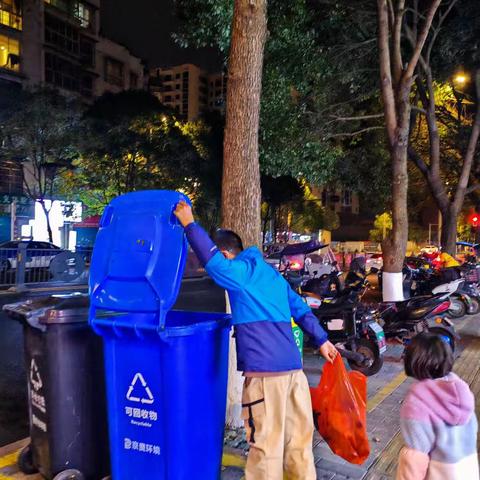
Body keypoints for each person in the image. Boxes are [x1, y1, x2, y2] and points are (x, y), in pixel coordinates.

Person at [174, 200, 337, 480]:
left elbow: (213, 264)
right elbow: (299, 307)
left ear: (227, 254)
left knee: (266, 447)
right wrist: (322, 340)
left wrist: (189, 223)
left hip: (265, 377)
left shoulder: (240, 273)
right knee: (298, 445)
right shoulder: (270, 274)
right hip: (293, 372)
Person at [397, 333, 478, 480]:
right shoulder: (462, 391)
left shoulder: (417, 401)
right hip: (467, 471)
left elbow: (415, 458)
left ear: (413, 361)